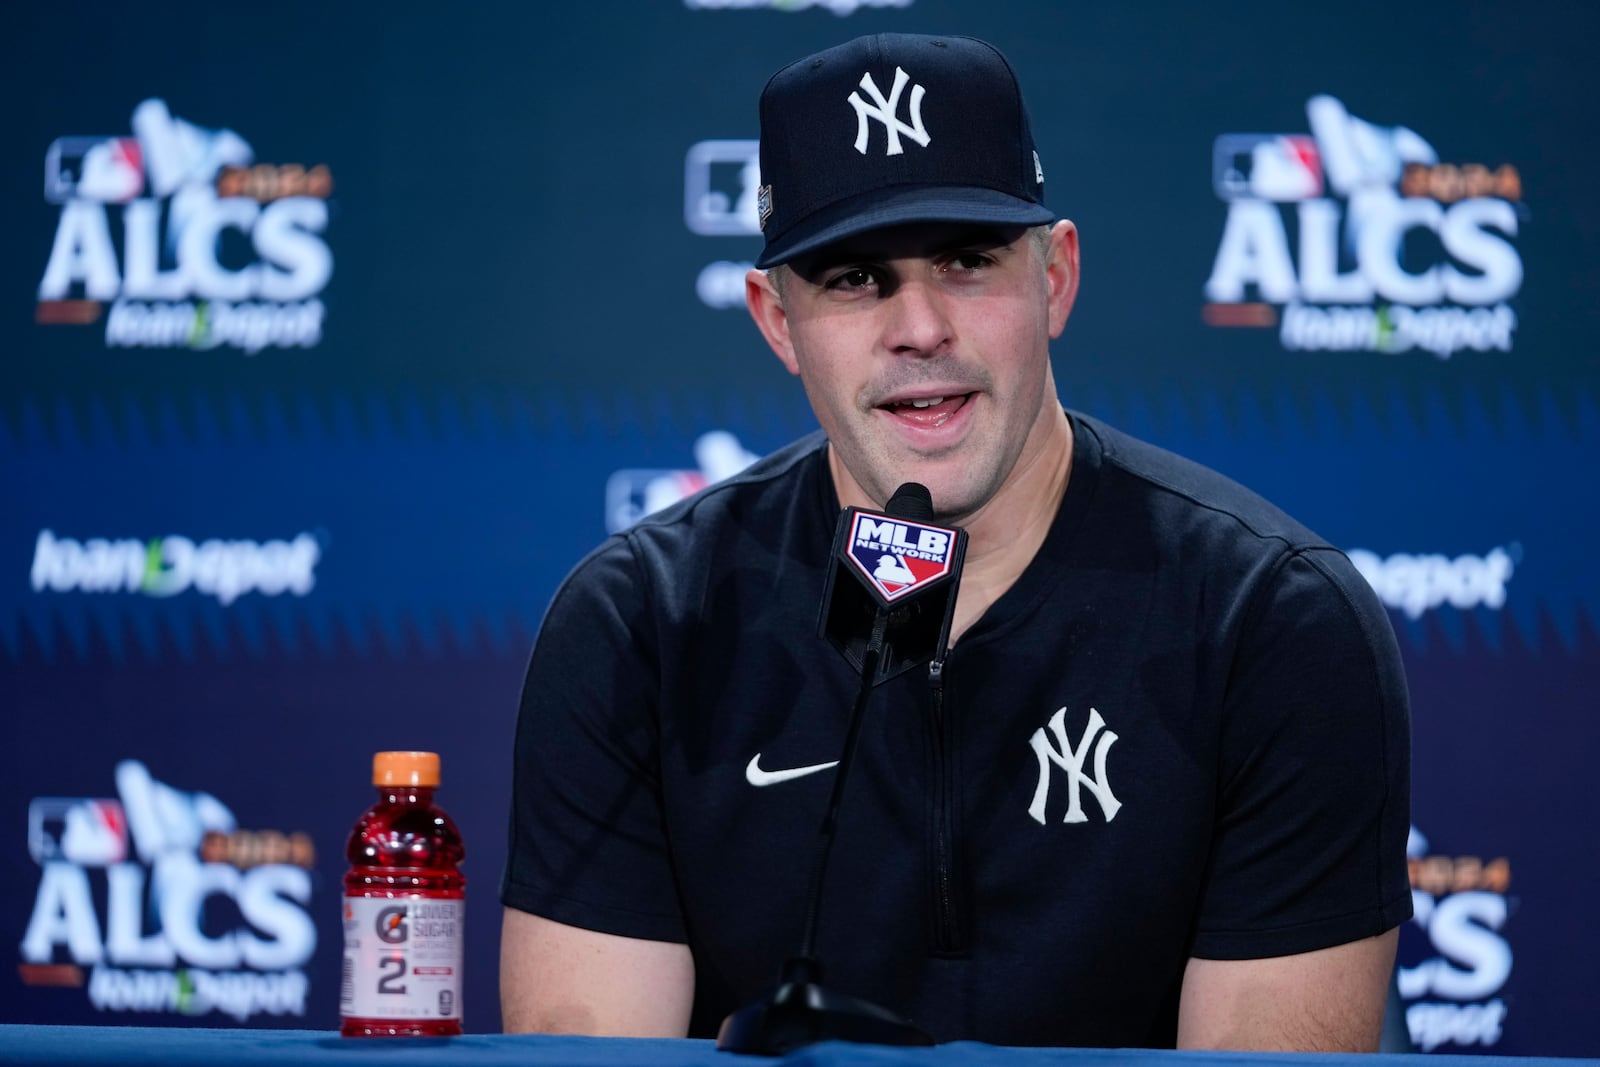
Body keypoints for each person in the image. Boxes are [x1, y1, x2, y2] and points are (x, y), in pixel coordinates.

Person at [500, 32, 1411, 1050]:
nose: (920, 326)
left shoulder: (1270, 620)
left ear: (1055, 278)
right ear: (775, 320)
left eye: (967, 262)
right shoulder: (641, 625)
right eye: (853, 279)